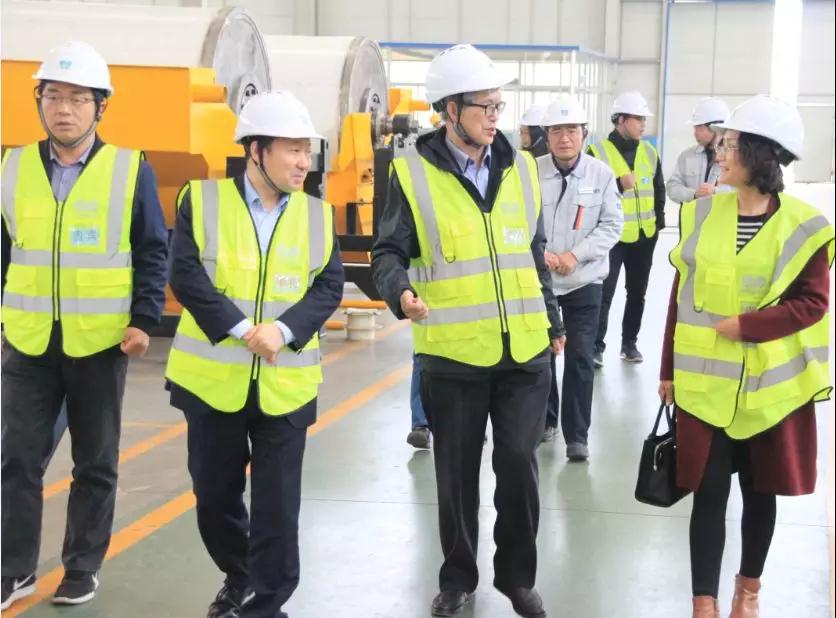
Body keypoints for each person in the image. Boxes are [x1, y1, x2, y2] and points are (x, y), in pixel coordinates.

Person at [372, 43, 565, 618]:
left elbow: (533, 250)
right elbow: (388, 252)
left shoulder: (521, 167)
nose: (495, 116)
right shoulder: (411, 174)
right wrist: (399, 292)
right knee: (456, 475)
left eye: (500, 106)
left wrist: (552, 318)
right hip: (453, 354)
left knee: (519, 465)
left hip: (524, 350)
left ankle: (518, 578)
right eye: (486, 106)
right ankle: (457, 578)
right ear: (450, 110)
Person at [1, 41, 168, 610]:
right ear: (39, 102)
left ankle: (81, 566)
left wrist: (144, 319)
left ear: (101, 106)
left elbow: (152, 249)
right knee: (16, 459)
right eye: (53, 96)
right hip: (27, 341)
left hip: (100, 342)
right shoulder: (12, 166)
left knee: (94, 462)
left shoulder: (129, 168)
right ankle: (14, 570)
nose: (64, 109)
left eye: (78, 98)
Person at [165, 91, 344, 618]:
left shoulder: (317, 215)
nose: (303, 162)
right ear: (256, 150)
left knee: (278, 507)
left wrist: (284, 331)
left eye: (307, 151)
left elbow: (328, 287)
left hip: (286, 384)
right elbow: (186, 276)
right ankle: (241, 575)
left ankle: (266, 605)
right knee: (214, 498)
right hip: (211, 382)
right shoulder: (202, 201)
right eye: (292, 150)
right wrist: (245, 330)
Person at [658, 95, 833, 618]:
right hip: (705, 388)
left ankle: (747, 593)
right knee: (708, 494)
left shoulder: (804, 225)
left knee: (760, 494)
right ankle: (704, 604)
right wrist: (667, 369)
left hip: (769, 392)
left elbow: (813, 303)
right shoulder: (700, 213)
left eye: (730, 145)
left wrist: (748, 327)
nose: (720, 153)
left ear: (760, 153)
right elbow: (680, 296)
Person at [537, 96, 622, 460]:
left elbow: (612, 225)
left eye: (571, 130)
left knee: (580, 358)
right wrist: (540, 255)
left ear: (584, 134)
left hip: (585, 281)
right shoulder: (531, 172)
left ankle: (577, 436)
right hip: (541, 284)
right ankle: (546, 421)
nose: (564, 138)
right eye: (557, 130)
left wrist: (575, 256)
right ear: (547, 136)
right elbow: (519, 220)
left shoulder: (601, 175)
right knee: (540, 359)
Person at [587, 91, 665, 365]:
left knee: (637, 294)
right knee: (604, 293)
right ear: (621, 120)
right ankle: (596, 347)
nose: (644, 124)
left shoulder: (650, 153)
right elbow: (587, 194)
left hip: (644, 237)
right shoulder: (596, 153)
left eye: (644, 119)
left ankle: (629, 344)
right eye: (639, 119)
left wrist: (657, 225)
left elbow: (658, 191)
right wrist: (619, 185)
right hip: (611, 238)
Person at [667, 97, 731, 204]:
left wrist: (715, 192)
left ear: (716, 128)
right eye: (695, 128)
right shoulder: (687, 156)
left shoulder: (736, 159)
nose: (695, 133)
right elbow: (672, 188)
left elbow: (743, 193)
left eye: (699, 128)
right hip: (692, 215)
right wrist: (694, 194)